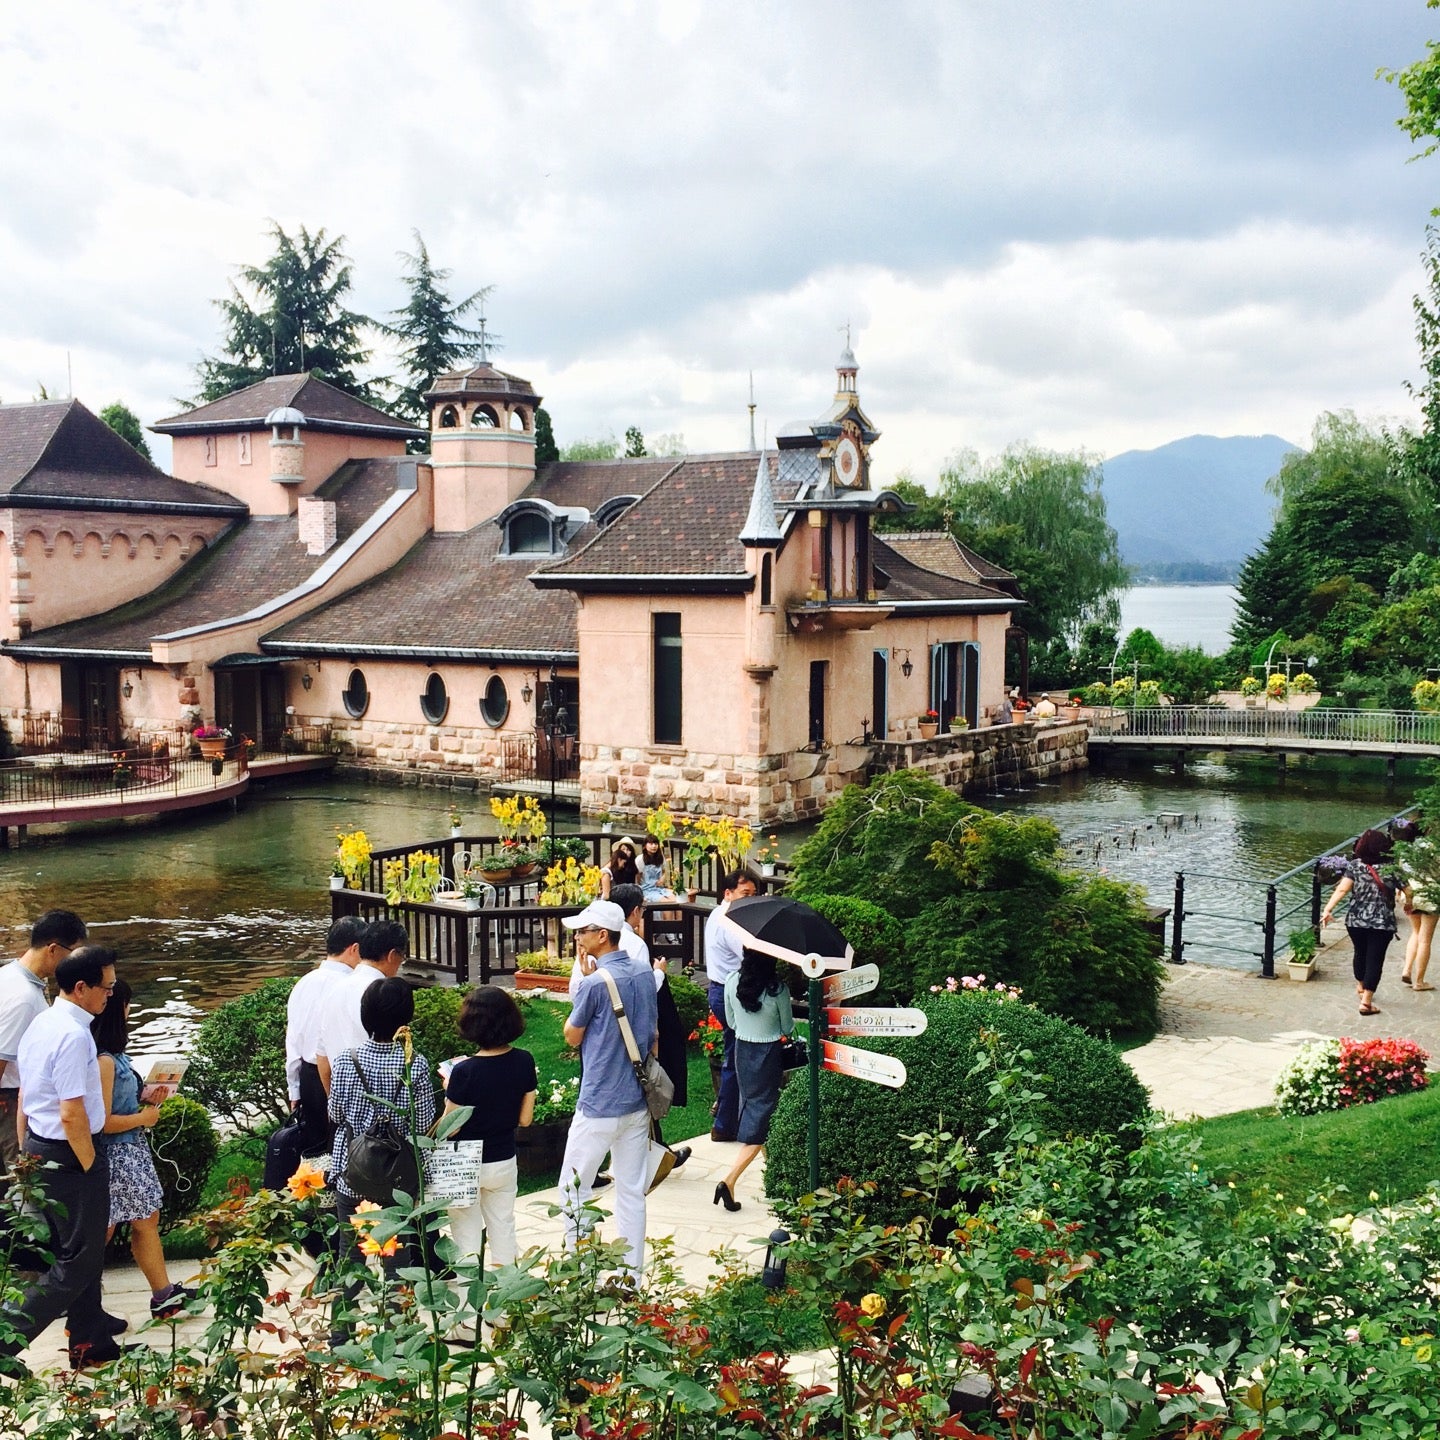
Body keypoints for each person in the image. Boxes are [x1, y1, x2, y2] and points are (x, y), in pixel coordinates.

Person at [1, 946, 120, 1370]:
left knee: (76, 1250)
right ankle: (4, 1339)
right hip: (71, 1154)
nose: (110, 994)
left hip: (40, 1145)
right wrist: (89, 1165)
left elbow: (27, 1100)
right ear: (81, 987)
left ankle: (91, 1346)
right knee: (78, 1259)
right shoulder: (72, 1035)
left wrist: (26, 1155)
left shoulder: (43, 1023)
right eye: (106, 987)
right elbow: (71, 1113)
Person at [327, 976, 435, 1336]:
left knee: (350, 1253)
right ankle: (399, 1332)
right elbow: (421, 1124)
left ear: (365, 1016)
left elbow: (335, 1115)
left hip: (352, 1173)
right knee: (398, 1255)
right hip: (398, 1180)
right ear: (408, 1017)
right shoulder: (415, 1065)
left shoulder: (346, 1061)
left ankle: (342, 1334)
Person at [557, 899, 658, 1276]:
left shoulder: (593, 984)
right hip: (636, 1098)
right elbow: (653, 1031)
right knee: (631, 1190)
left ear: (603, 935)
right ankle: (631, 1275)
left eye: (583, 931)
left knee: (574, 1187)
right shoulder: (645, 974)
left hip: (599, 1100)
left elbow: (571, 1036)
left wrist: (585, 982)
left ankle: (581, 1272)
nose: (578, 937)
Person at [90, 977, 194, 1319]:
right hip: (117, 1153)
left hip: (129, 1151)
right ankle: (81, 1303)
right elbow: (103, 1121)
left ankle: (162, 1294)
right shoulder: (105, 1060)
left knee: (144, 1219)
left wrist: (147, 1098)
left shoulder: (115, 1055)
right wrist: (143, 1118)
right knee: (105, 1229)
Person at [441, 987, 536, 1269]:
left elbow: (450, 1128)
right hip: (503, 1158)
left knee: (466, 1238)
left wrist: (449, 1091)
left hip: (463, 1162)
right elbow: (526, 1119)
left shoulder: (463, 1072)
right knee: (503, 1228)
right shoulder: (524, 1060)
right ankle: (506, 1302)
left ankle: (471, 1309)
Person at [0, 910, 88, 1190]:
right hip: (11, 1100)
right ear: (53, 949)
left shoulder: (10, 975)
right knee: (25, 1183)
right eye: (74, 953)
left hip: (17, 1097)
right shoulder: (24, 998)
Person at [611, 884, 690, 1169]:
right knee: (642, 1089)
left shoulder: (599, 936)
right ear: (635, 911)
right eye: (642, 908)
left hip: (606, 1026)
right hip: (631, 1025)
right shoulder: (634, 944)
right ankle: (651, 1155)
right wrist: (658, 973)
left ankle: (656, 1151)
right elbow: (644, 991)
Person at [714, 948, 793, 1212]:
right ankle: (730, 1179)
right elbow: (787, 1028)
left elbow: (731, 1022)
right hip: (768, 1054)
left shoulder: (731, 981)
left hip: (742, 1051)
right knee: (763, 1116)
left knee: (754, 1110)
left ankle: (773, 1176)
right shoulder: (777, 988)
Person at [286, 917, 367, 1153]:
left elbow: (293, 1040)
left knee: (316, 1153)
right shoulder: (351, 987)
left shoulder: (303, 983)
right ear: (355, 949)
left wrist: (294, 1089)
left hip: (308, 1076)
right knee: (349, 1150)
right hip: (342, 1077)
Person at [315, 920, 408, 1088]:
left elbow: (322, 1056)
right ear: (392, 954)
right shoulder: (382, 994)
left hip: (343, 1094)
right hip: (383, 1095)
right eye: (402, 957)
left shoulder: (333, 989)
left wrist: (332, 1100)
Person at [703, 870, 756, 1143]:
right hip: (729, 993)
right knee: (738, 1058)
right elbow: (750, 956)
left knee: (735, 1054)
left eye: (753, 895)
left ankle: (727, 1117)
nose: (750, 899)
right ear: (728, 893)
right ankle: (726, 1124)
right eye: (745, 894)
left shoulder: (717, 914)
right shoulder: (728, 922)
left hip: (719, 990)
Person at [1321, 828, 1399, 1016]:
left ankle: (1360, 985)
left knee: (1360, 953)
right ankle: (1366, 1002)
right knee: (1375, 959)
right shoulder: (1392, 868)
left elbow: (1342, 890)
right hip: (1382, 922)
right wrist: (1409, 904)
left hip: (1356, 920)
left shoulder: (1355, 866)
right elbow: (1408, 891)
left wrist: (1328, 908)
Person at [1394, 819, 1438, 992]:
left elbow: (1400, 873)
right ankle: (1419, 981)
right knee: (1425, 939)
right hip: (1430, 896)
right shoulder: (1434, 848)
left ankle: (1407, 969)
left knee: (1416, 932)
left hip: (1411, 894)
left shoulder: (1406, 849)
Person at [637, 835, 677, 901]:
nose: (654, 846)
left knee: (676, 900)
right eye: (651, 844)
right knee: (666, 902)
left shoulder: (660, 857)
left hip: (659, 888)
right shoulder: (640, 859)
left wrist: (662, 879)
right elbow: (637, 877)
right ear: (645, 845)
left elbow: (664, 871)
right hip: (646, 890)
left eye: (656, 844)